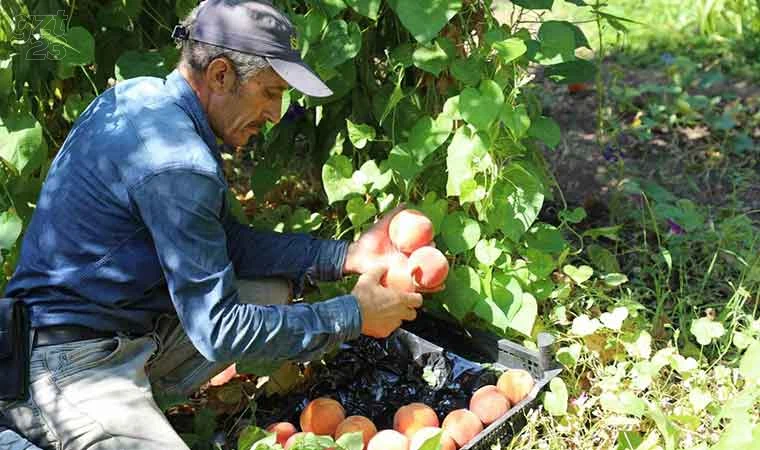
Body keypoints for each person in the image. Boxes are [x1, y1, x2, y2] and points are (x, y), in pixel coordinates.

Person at [0, 1, 431, 449]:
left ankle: (122, 411)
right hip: (65, 363)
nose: (275, 113)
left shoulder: (138, 98)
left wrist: (345, 256)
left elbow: (226, 244)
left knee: (268, 293)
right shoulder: (176, 163)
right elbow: (219, 330)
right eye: (270, 92)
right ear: (221, 75)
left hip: (101, 329)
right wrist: (353, 315)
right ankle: (29, 432)